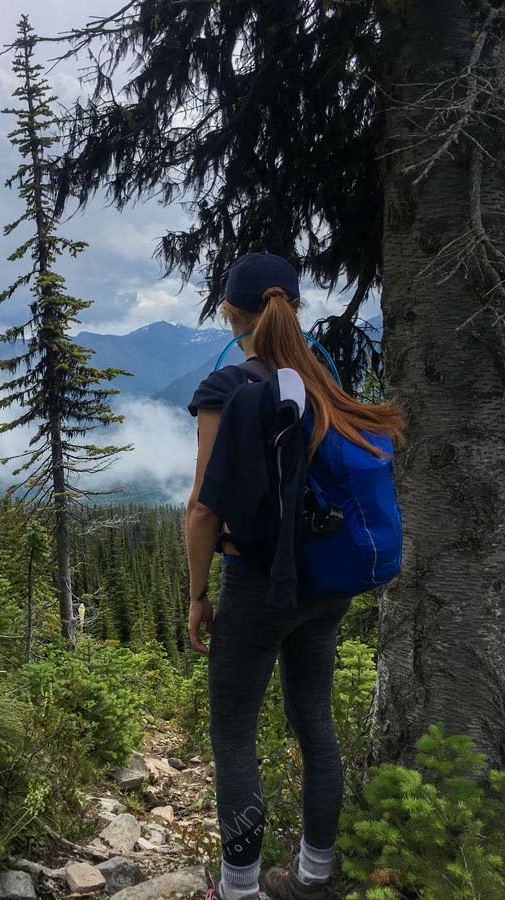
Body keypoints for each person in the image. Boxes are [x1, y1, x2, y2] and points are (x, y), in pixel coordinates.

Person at [183, 253, 404, 900]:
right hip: (325, 583)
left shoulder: (227, 388)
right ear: (295, 307)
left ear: (230, 312)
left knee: (233, 732)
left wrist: (197, 595)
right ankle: (313, 876)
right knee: (314, 719)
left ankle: (240, 891)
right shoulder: (326, 379)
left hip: (257, 586)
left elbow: (203, 511)